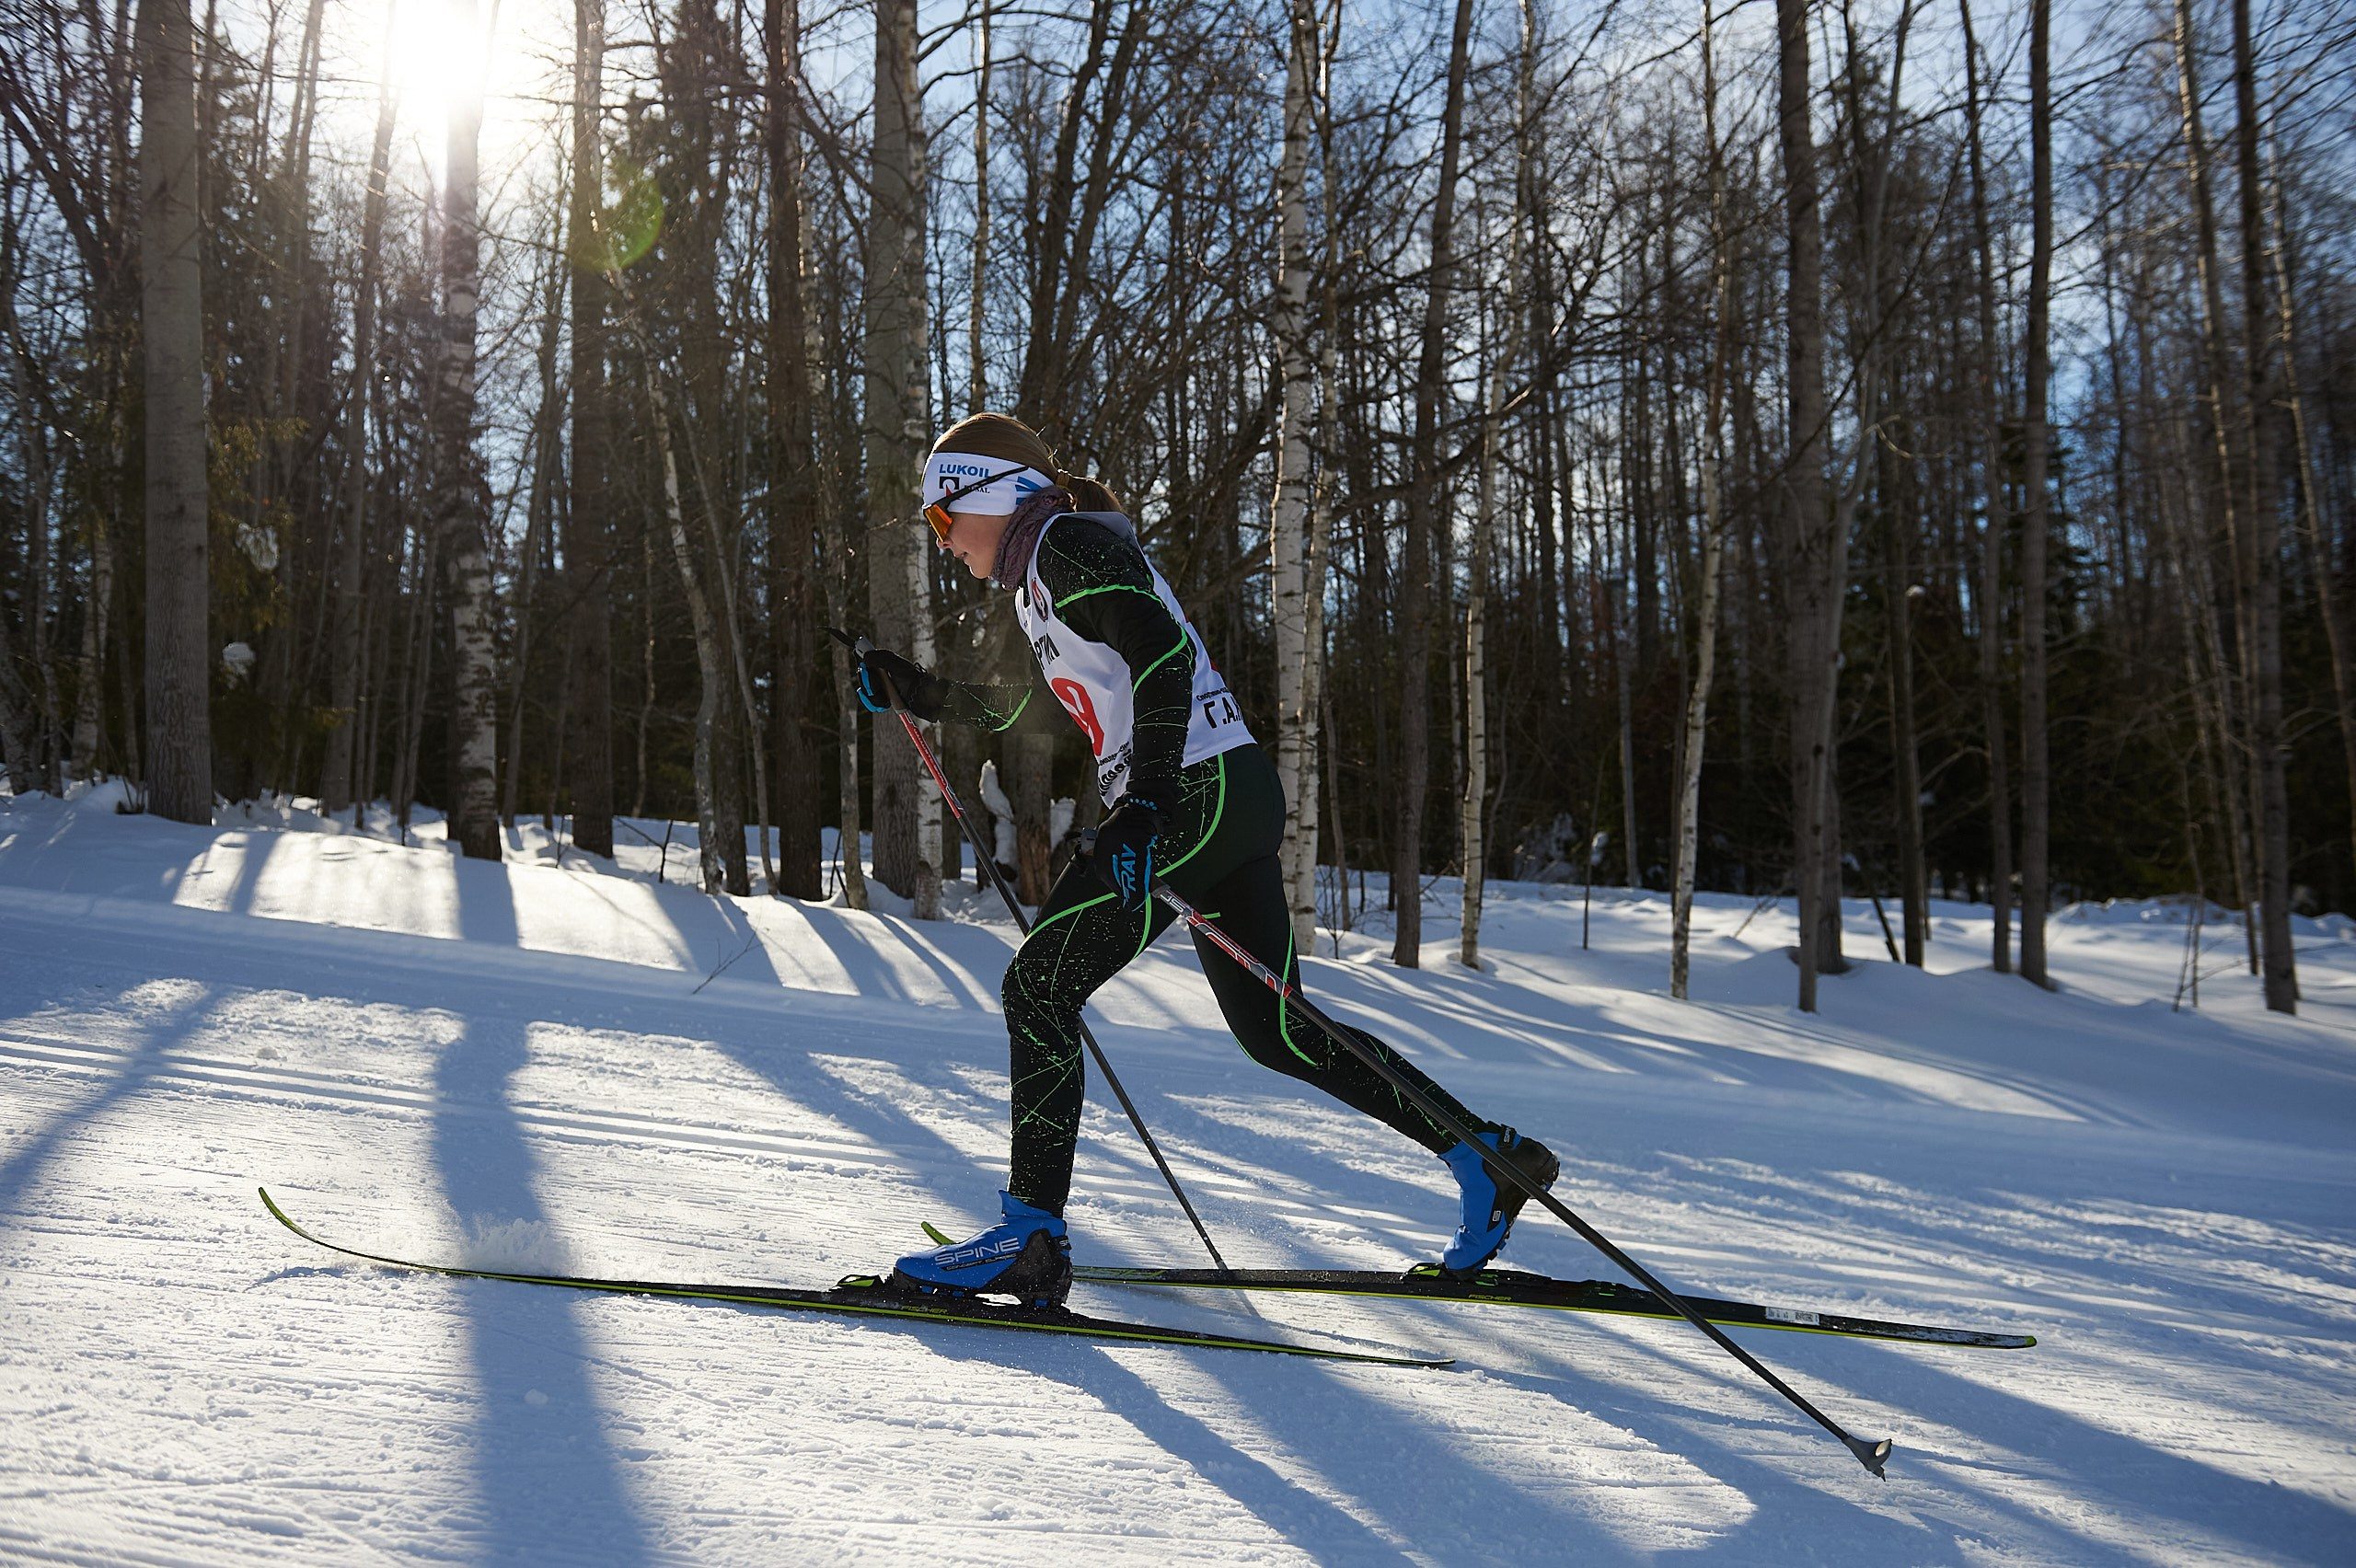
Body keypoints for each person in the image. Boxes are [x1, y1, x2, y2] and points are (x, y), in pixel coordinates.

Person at [851, 412, 1556, 1307]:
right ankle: (1485, 1156)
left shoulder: (1066, 544)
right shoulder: (1046, 577)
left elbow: (1160, 654)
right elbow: (1050, 706)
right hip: (1229, 791)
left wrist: (1144, 802)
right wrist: (923, 695)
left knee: (1039, 986)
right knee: (1279, 1032)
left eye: (945, 521)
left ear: (999, 495)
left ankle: (1029, 1232)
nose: (943, 544)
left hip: (1190, 790)